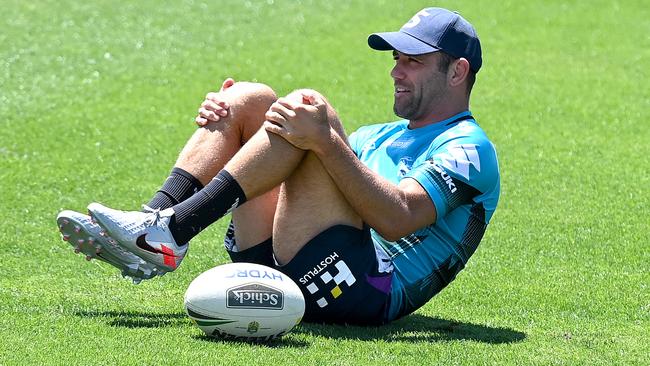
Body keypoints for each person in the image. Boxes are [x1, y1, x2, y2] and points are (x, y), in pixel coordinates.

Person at [57, 7, 500, 325]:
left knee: (307, 109)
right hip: (292, 262)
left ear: (457, 72)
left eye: (413, 62)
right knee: (251, 97)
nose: (396, 72)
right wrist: (236, 120)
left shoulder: (469, 147)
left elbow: (399, 218)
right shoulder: (375, 136)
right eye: (396, 60)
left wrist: (322, 139)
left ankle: (170, 230)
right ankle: (154, 222)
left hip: (362, 289)